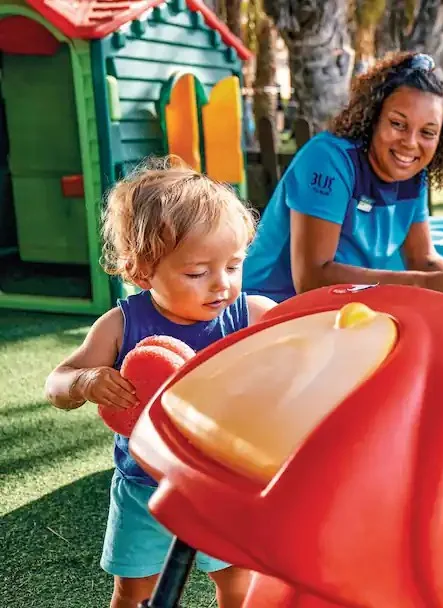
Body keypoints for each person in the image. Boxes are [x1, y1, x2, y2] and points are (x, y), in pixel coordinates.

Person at [44, 158, 276, 608]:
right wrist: (87, 381)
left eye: (233, 266)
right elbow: (57, 383)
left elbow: (309, 346)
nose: (221, 285)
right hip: (143, 488)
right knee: (134, 592)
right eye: (197, 273)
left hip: (222, 486)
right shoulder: (121, 325)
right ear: (141, 272)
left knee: (237, 583)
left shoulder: (251, 315)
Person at [242, 52, 443, 315]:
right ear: (373, 118)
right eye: (398, 124)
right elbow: (312, 278)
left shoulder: (412, 175)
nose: (410, 143)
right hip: (267, 311)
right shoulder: (328, 160)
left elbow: (424, 260)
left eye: (427, 132)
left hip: (340, 314)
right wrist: (423, 284)